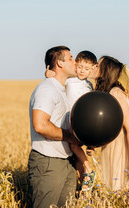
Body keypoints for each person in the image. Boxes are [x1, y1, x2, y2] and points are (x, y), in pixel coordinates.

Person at [28, 46, 80, 208]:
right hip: (49, 163)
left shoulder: (61, 89)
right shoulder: (47, 89)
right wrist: (70, 137)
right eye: (71, 58)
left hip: (66, 162)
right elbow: (40, 124)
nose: (75, 62)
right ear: (59, 63)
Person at [90, 56, 129, 191]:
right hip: (113, 148)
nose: (93, 67)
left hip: (124, 151)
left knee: (126, 193)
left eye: (97, 65)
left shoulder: (116, 93)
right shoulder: (106, 93)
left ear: (106, 71)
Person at [45, 50, 98, 191]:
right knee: (74, 149)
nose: (82, 71)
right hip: (69, 119)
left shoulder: (89, 86)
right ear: (76, 65)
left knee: (75, 147)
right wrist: (48, 74)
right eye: (80, 67)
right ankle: (85, 179)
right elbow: (56, 77)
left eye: (86, 69)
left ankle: (87, 170)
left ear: (92, 69)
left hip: (80, 121)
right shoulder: (70, 80)